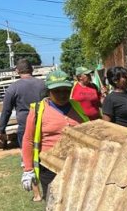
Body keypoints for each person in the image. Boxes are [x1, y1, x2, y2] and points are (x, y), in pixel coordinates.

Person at [22, 70, 90, 198]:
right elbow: (28, 140)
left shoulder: (77, 106)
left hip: (78, 166)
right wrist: (28, 169)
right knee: (55, 204)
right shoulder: (38, 111)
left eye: (65, 90)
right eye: (57, 91)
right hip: (50, 168)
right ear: (48, 91)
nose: (62, 94)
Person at [0, 59, 46, 201]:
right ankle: (50, 186)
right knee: (46, 155)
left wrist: (1, 129)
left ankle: (37, 194)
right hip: (44, 124)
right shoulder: (42, 85)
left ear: (17, 71)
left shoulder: (13, 88)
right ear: (32, 70)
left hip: (26, 128)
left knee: (28, 158)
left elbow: (6, 110)